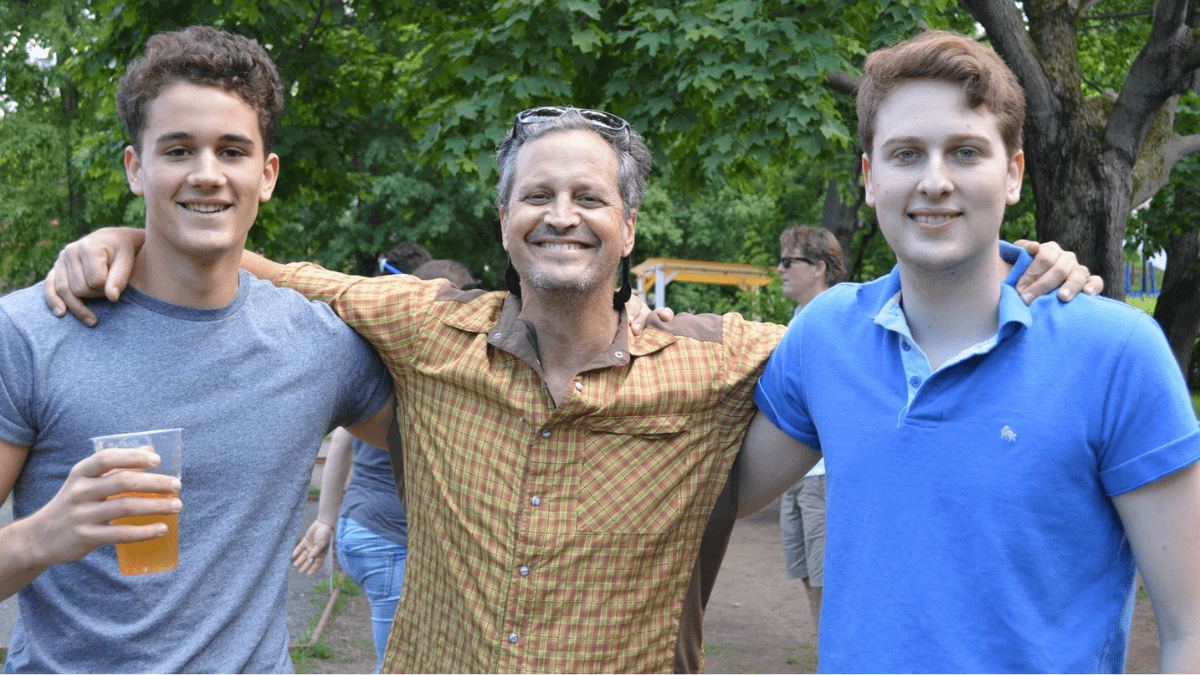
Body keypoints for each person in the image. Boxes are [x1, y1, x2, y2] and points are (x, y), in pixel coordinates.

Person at [45, 105, 1099, 671]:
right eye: (536, 195)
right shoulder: (424, 327)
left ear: (629, 228)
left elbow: (898, 323)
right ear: (503, 223)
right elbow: (275, 269)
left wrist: (1025, 264)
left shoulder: (722, 359)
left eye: (589, 197)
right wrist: (135, 234)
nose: (561, 214)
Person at [742, 30, 1200, 672]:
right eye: (906, 154)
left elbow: (1190, 629)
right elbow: (715, 495)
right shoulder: (824, 336)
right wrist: (635, 335)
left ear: (1012, 174)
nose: (934, 181)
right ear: (870, 179)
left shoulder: (1117, 353)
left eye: (965, 151)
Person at [0, 26, 395, 673]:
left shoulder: (319, 344)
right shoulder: (30, 331)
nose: (207, 174)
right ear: (137, 168)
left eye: (232, 151)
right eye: (179, 149)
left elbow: (441, 438)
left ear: (266, 174)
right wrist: (40, 536)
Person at [291, 257, 478, 672]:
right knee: (399, 665)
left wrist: (326, 520)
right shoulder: (422, 377)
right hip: (387, 539)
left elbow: (341, 439)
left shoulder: (391, 369)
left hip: (362, 529)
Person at [775, 225, 843, 640]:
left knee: (826, 578)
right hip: (796, 476)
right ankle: (824, 653)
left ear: (819, 267)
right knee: (806, 573)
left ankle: (834, 658)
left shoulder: (835, 317)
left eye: (789, 261)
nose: (779, 269)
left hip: (823, 477)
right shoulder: (800, 319)